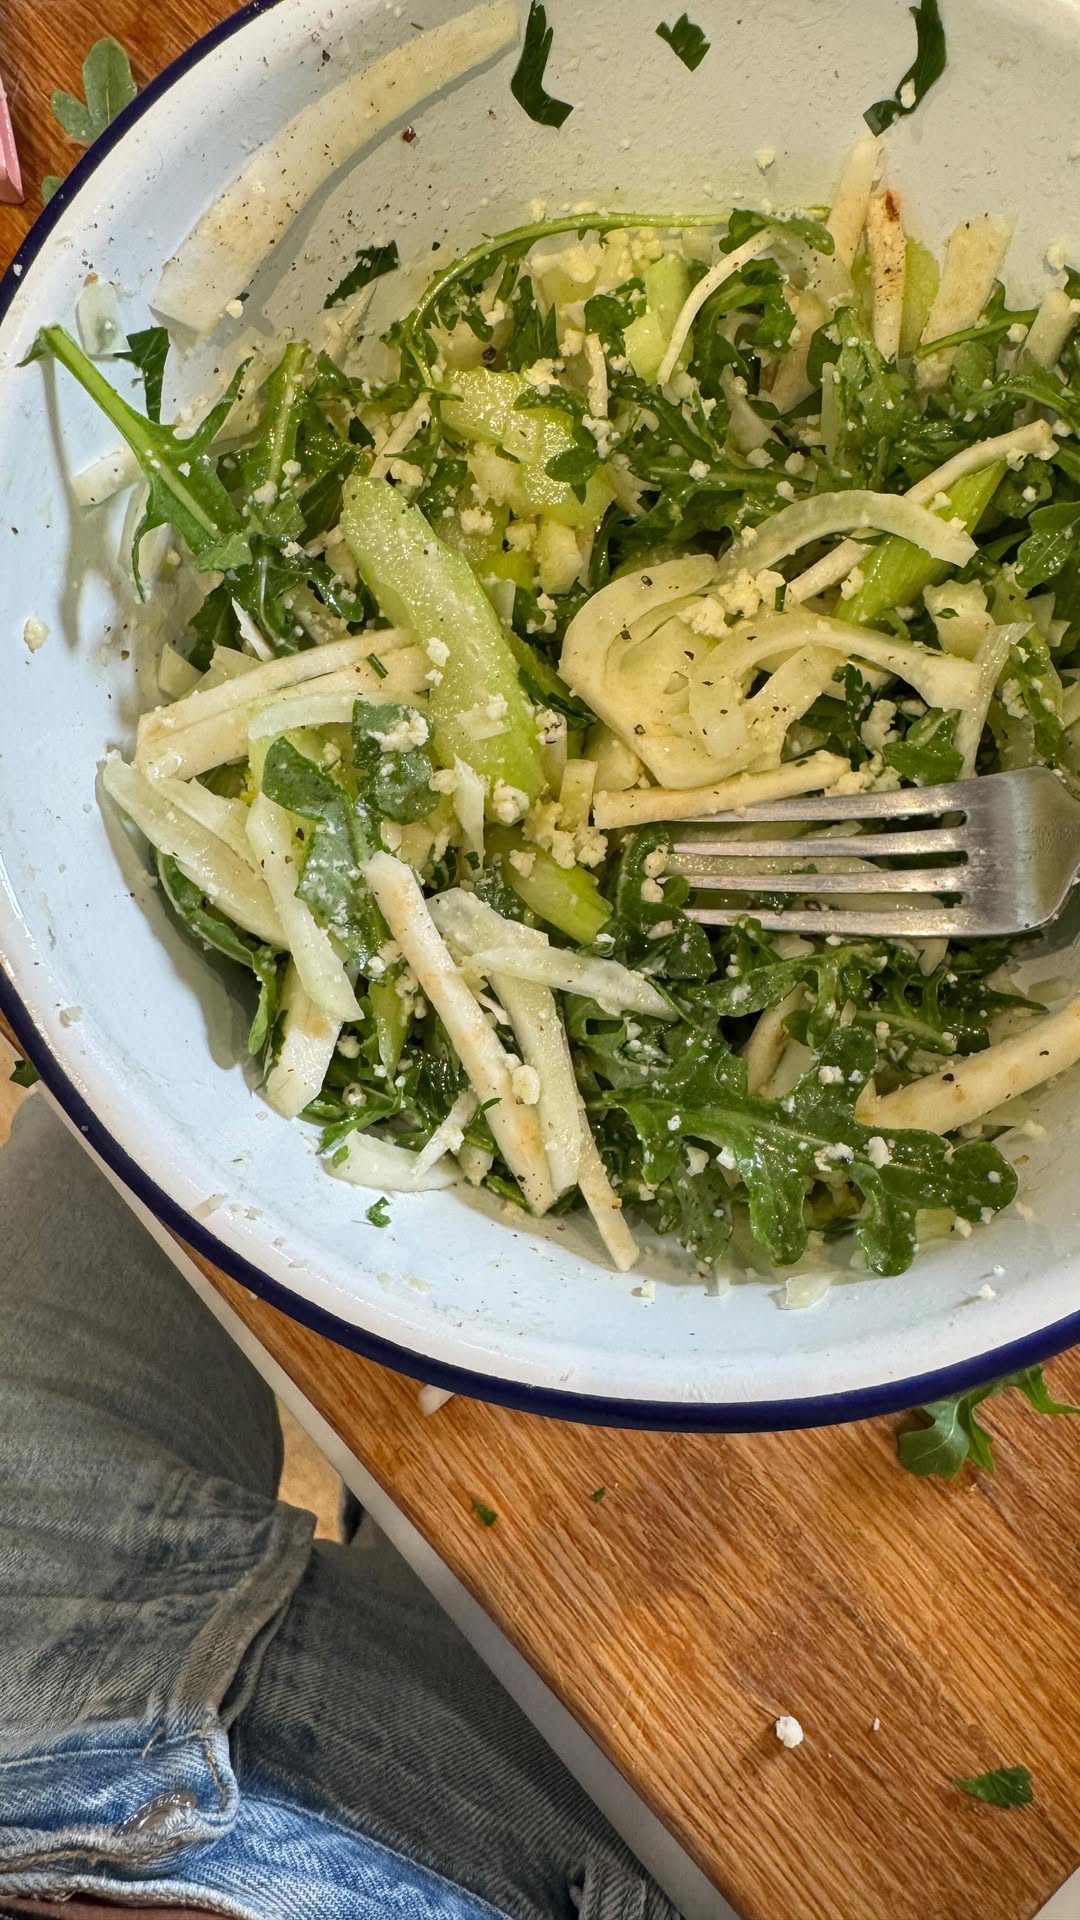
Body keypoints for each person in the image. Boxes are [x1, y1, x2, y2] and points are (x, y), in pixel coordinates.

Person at [0, 1096, 677, 1920]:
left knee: (107, 1136)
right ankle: (393, 1505)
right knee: (577, 1493)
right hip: (469, 1860)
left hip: (28, 1748)